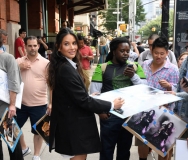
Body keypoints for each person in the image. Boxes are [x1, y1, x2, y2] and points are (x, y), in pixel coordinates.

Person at [47, 28, 124, 160]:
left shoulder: (68, 65)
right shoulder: (65, 68)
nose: (72, 47)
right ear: (58, 47)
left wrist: (90, 97)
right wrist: (111, 105)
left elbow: (75, 96)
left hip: (73, 126)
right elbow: (83, 100)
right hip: (72, 128)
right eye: (66, 44)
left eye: (74, 43)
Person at [90, 37, 146, 160]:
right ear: (114, 51)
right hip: (109, 117)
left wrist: (133, 76)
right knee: (106, 150)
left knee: (124, 151)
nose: (126, 54)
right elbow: (94, 92)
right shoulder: (102, 68)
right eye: (122, 51)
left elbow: (145, 90)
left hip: (129, 117)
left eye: (128, 51)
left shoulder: (135, 67)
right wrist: (100, 111)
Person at [138, 37, 179, 160]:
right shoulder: (144, 65)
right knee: (142, 141)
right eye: (156, 53)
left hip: (164, 113)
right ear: (151, 51)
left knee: (162, 145)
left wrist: (169, 86)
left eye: (162, 54)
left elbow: (178, 91)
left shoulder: (173, 69)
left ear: (167, 53)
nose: (158, 56)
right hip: (145, 110)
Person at [16, 36, 51, 160]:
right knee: (13, 128)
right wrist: (18, 68)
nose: (32, 48)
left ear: (39, 46)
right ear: (25, 47)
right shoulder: (18, 61)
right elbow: (6, 75)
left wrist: (51, 103)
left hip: (39, 103)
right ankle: (25, 148)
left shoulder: (46, 63)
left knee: (39, 131)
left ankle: (36, 155)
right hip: (20, 104)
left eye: (35, 45)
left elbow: (51, 85)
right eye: (30, 45)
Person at [0, 29, 23, 160]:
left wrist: (12, 105)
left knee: (12, 141)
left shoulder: (8, 58)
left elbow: (14, 83)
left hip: (5, 108)